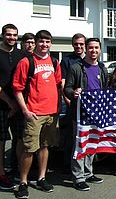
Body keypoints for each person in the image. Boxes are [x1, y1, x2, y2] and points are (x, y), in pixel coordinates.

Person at [13, 30, 62, 198]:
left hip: (51, 113)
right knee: (28, 148)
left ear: (50, 43)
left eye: (47, 42)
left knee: (44, 146)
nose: (44, 45)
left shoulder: (54, 62)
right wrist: (25, 110)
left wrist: (58, 107)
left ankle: (42, 178)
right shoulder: (26, 62)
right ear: (36, 42)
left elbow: (57, 86)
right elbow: (17, 89)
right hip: (34, 113)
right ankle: (23, 182)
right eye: (41, 41)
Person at [64, 38, 107, 191]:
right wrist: (74, 92)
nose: (93, 51)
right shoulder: (76, 67)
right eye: (90, 48)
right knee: (79, 146)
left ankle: (89, 173)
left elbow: (105, 89)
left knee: (92, 145)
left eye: (96, 48)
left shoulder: (102, 68)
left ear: (100, 50)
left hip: (96, 113)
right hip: (80, 114)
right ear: (86, 49)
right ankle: (78, 177)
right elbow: (67, 88)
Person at [0, 24, 25, 190]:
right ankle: (1, 173)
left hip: (18, 105)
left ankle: (18, 170)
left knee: (20, 139)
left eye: (15, 35)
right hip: (1, 105)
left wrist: (19, 105)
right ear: (2, 35)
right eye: (9, 35)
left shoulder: (21, 55)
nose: (12, 38)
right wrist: (10, 103)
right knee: (1, 141)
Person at [60, 33, 86, 173]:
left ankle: (86, 167)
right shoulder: (66, 60)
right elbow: (63, 83)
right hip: (73, 104)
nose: (79, 46)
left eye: (81, 44)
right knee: (72, 137)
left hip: (87, 106)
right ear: (72, 44)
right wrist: (67, 99)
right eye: (76, 44)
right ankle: (67, 165)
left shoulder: (89, 59)